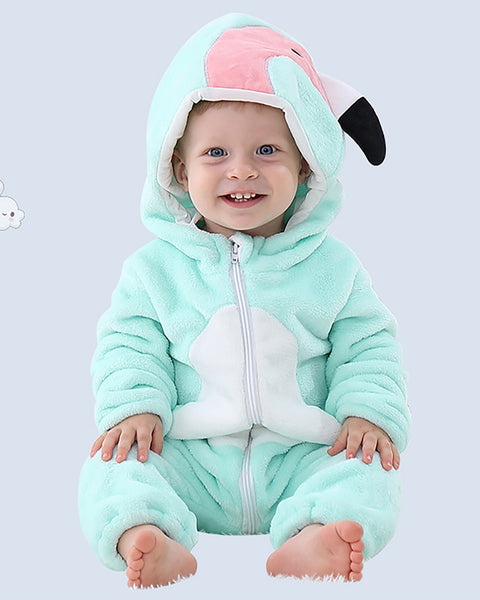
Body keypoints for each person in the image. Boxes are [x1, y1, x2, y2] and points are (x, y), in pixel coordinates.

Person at [78, 13, 410, 589]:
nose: (242, 170)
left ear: (305, 165)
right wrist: (134, 407)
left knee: (369, 469)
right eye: (215, 153)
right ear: (179, 170)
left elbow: (368, 341)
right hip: (188, 454)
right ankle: (146, 532)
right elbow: (128, 342)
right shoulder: (155, 271)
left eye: (266, 150)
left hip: (304, 452)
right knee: (112, 466)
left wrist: (367, 412)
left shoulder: (332, 268)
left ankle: (317, 531)